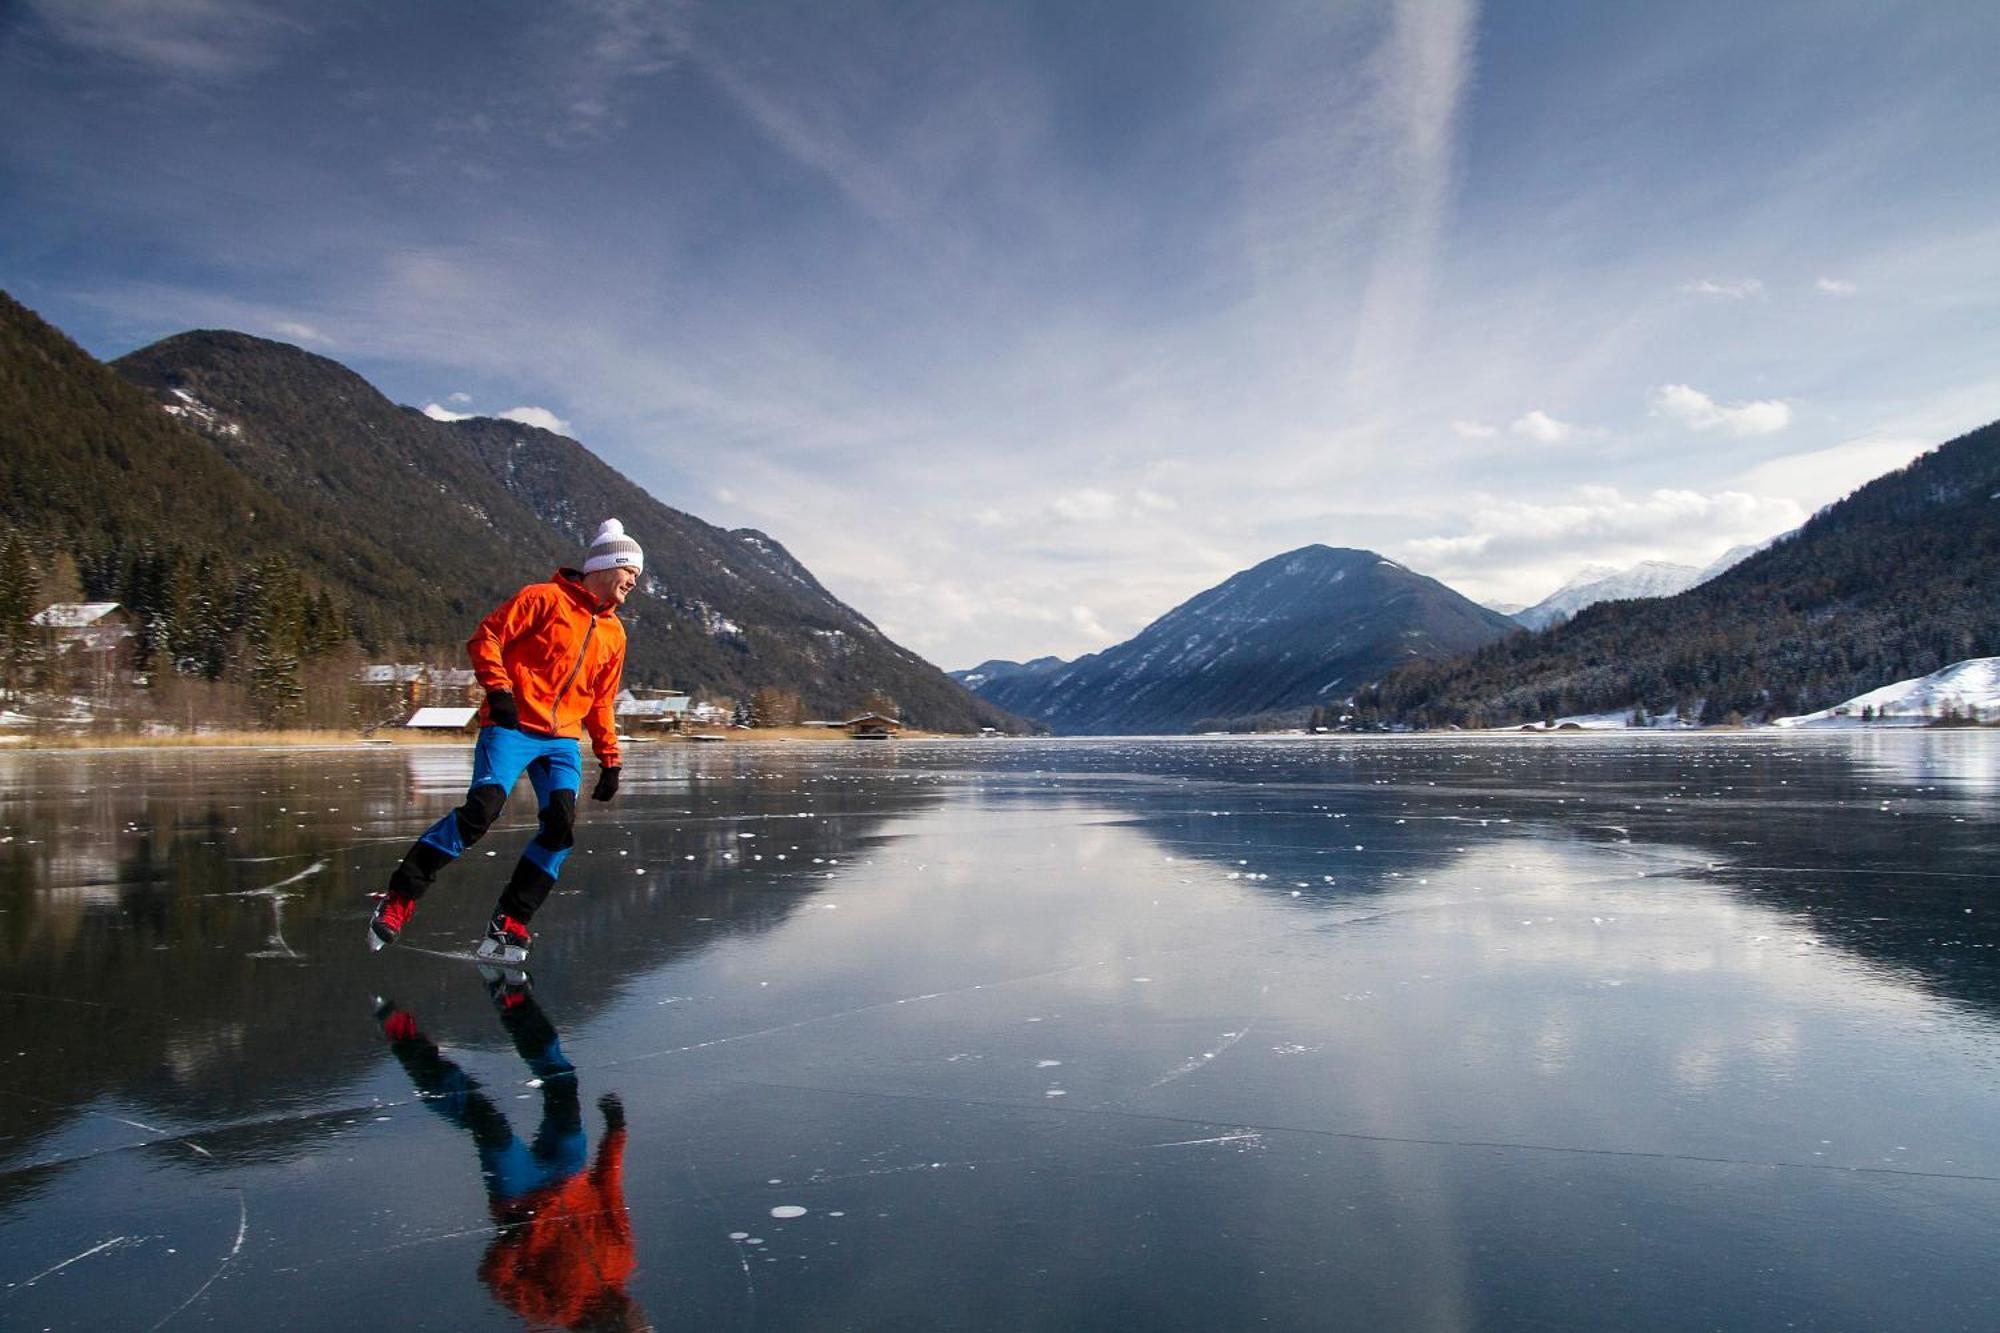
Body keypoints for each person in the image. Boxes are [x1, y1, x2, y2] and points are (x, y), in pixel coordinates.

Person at [370, 519, 641, 963]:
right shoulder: (543, 599)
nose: (634, 582)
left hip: (561, 741)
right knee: (482, 811)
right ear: (607, 565)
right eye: (630, 571)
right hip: (513, 726)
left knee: (560, 825)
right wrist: (499, 691)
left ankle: (509, 923)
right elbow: (487, 637)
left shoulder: (615, 634)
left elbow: (602, 700)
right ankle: (399, 898)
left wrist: (610, 759)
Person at [374, 975, 647, 1329]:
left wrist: (513, 1239)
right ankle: (514, 1003)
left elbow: (496, 1278)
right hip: (570, 1172)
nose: (632, 1314)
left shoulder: (554, 1311)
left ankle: (405, 1039)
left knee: (487, 1122)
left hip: (523, 1199)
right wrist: (616, 1132)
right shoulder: (622, 1262)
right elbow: (610, 1194)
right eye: (638, 1320)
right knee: (562, 1085)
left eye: (629, 1324)